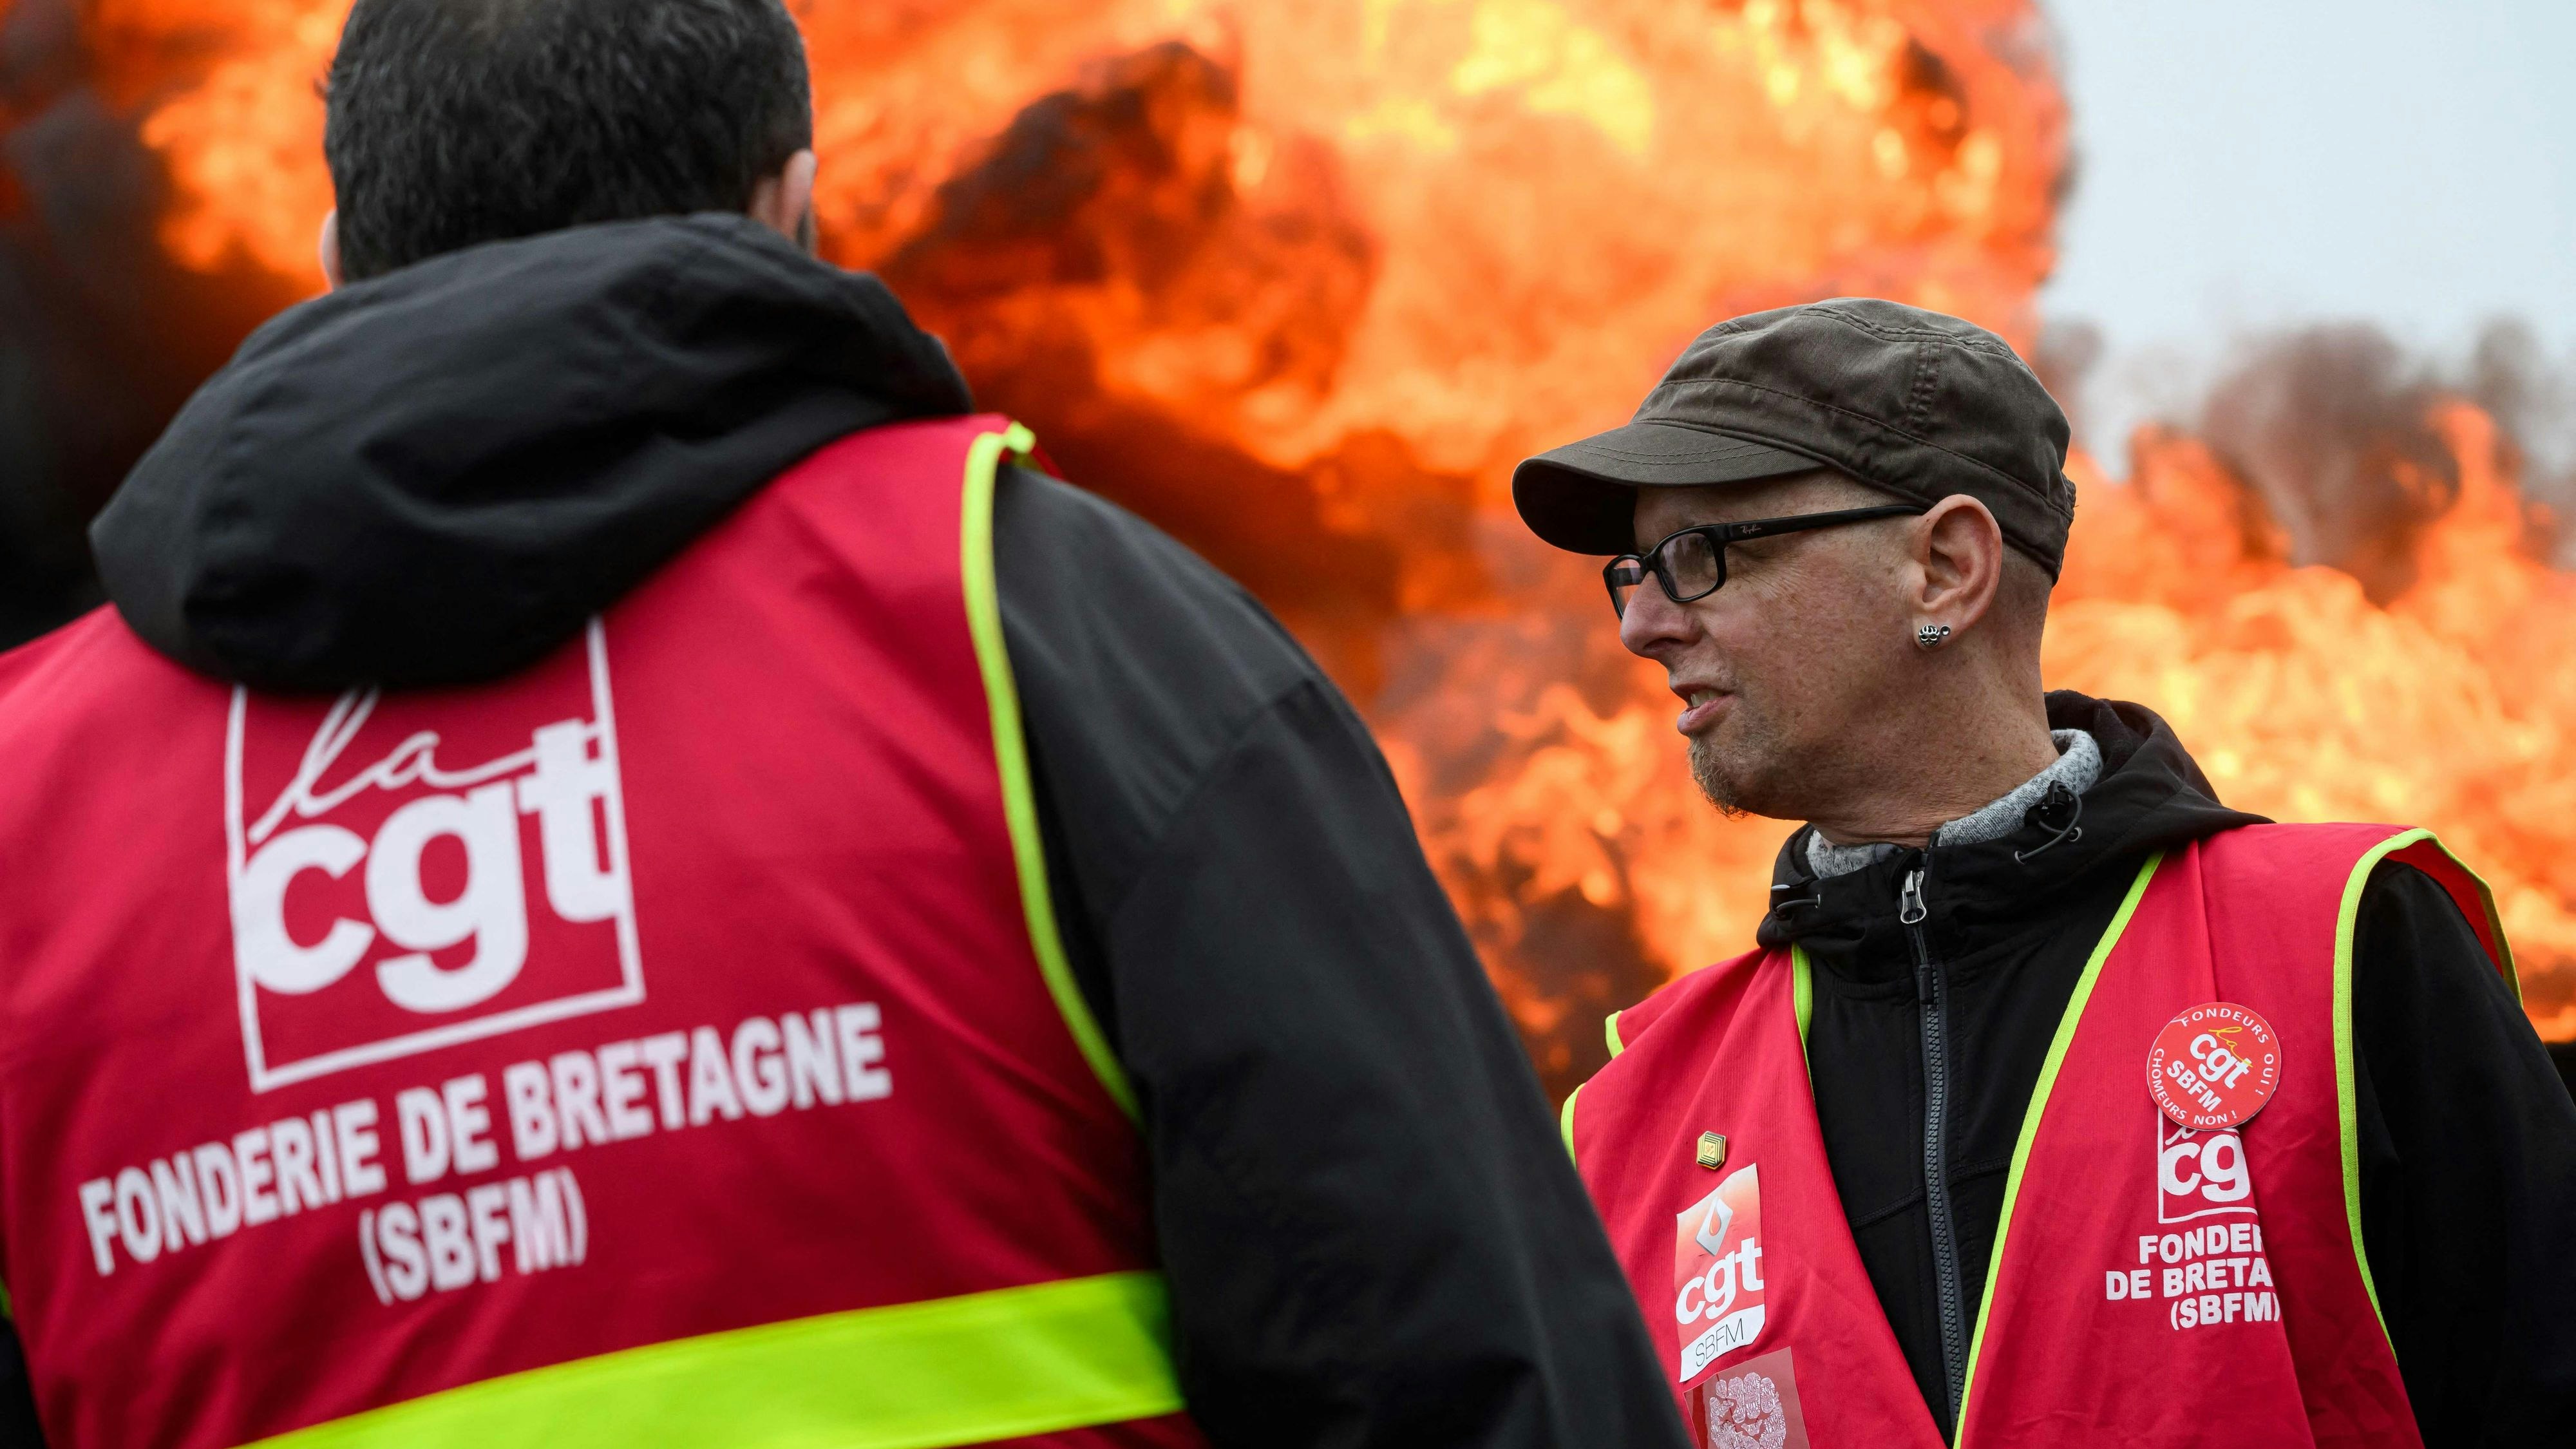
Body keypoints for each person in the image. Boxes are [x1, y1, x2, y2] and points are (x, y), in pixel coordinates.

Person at [0, 1, 1683, 1445]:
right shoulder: (1050, 632)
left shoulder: (29, 794)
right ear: (793, 207)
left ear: (337, 260)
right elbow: (1458, 1357)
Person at [1520, 298, 2576, 1448]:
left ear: (1945, 565)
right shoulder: (1625, 1120)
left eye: (1703, 555)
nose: (1645, 623)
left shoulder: (2343, 943)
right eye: (1635, 568)